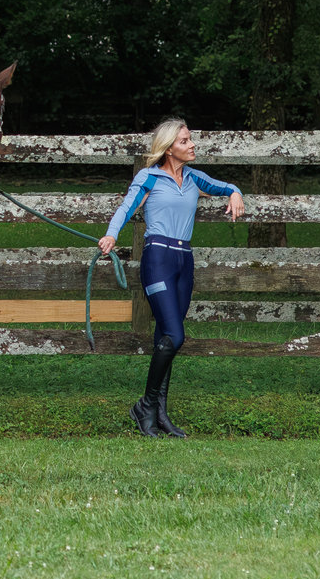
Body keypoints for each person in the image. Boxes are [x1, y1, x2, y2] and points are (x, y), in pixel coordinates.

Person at [98, 119, 244, 438]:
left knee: (165, 337)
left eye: (190, 139)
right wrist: (111, 235)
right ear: (168, 148)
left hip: (184, 261)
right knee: (175, 336)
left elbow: (225, 187)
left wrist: (235, 193)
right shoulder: (148, 177)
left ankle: (159, 414)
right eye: (185, 141)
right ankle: (145, 407)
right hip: (158, 258)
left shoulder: (193, 177)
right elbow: (126, 208)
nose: (192, 145)